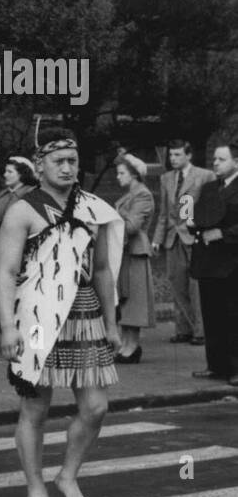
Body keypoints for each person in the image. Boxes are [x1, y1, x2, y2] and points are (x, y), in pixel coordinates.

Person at [0, 129, 123, 497]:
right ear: (40, 166)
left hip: (85, 314)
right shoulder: (23, 209)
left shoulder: (93, 207)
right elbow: (5, 271)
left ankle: (67, 475)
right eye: (58, 161)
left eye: (72, 160)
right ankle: (35, 491)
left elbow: (101, 270)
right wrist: (6, 326)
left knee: (96, 407)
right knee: (35, 408)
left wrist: (112, 323)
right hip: (37, 316)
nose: (67, 168)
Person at [152, 139, 212, 346]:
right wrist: (157, 239)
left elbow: (211, 206)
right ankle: (183, 329)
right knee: (177, 284)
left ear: (188, 155)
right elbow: (163, 212)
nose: (173, 159)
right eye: (171, 155)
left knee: (196, 286)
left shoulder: (204, 176)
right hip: (173, 237)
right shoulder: (166, 178)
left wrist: (203, 228)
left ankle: (200, 331)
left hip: (194, 236)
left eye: (178, 155)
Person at [188, 142, 238, 385]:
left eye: (222, 159)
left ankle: (235, 368)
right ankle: (215, 365)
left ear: (236, 162)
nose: (215, 163)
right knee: (212, 314)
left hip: (232, 261)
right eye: (215, 159)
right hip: (209, 261)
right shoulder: (209, 187)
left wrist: (225, 234)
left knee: (233, 315)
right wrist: (193, 222)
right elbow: (196, 212)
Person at [0, 157, 37, 331]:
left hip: (20, 249)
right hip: (1, 247)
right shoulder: (3, 194)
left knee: (20, 290)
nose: (5, 174)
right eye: (5, 171)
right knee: (3, 287)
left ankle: (24, 331)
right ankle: (8, 329)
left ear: (22, 174)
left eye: (10, 172)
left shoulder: (31, 193)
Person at [112, 154, 156, 362]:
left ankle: (132, 345)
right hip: (124, 252)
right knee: (125, 299)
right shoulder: (129, 195)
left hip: (136, 251)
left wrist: (111, 218)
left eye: (122, 173)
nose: (118, 177)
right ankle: (126, 344)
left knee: (134, 300)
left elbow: (131, 227)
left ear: (134, 175)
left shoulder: (142, 195)